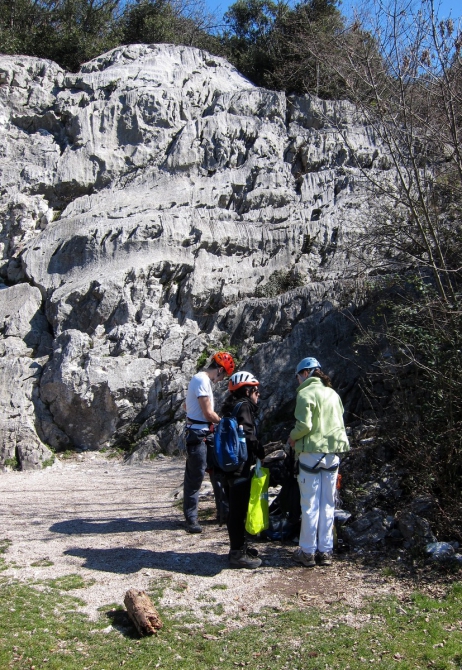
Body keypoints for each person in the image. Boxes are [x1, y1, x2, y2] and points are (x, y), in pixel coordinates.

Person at [288, 357, 350, 567]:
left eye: (298, 376)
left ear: (305, 373)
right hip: (332, 454)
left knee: (309, 505)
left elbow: (304, 425)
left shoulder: (305, 393)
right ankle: (326, 551)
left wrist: (292, 437)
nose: (298, 381)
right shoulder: (333, 394)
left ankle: (307, 552)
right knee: (328, 504)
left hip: (310, 454)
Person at [183, 351, 235, 534]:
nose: (221, 380)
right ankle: (191, 519)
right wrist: (225, 423)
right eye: (224, 375)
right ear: (219, 370)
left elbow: (186, 406)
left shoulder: (199, 381)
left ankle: (223, 513)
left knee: (217, 472)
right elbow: (208, 413)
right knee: (195, 476)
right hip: (199, 433)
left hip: (202, 432)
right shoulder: (202, 381)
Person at [220, 371, 265, 569]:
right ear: (247, 391)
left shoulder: (229, 407)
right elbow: (248, 435)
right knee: (239, 511)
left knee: (234, 509)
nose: (258, 394)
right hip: (240, 466)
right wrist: (262, 453)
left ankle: (239, 547)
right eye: (256, 390)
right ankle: (237, 553)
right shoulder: (245, 407)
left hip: (227, 465)